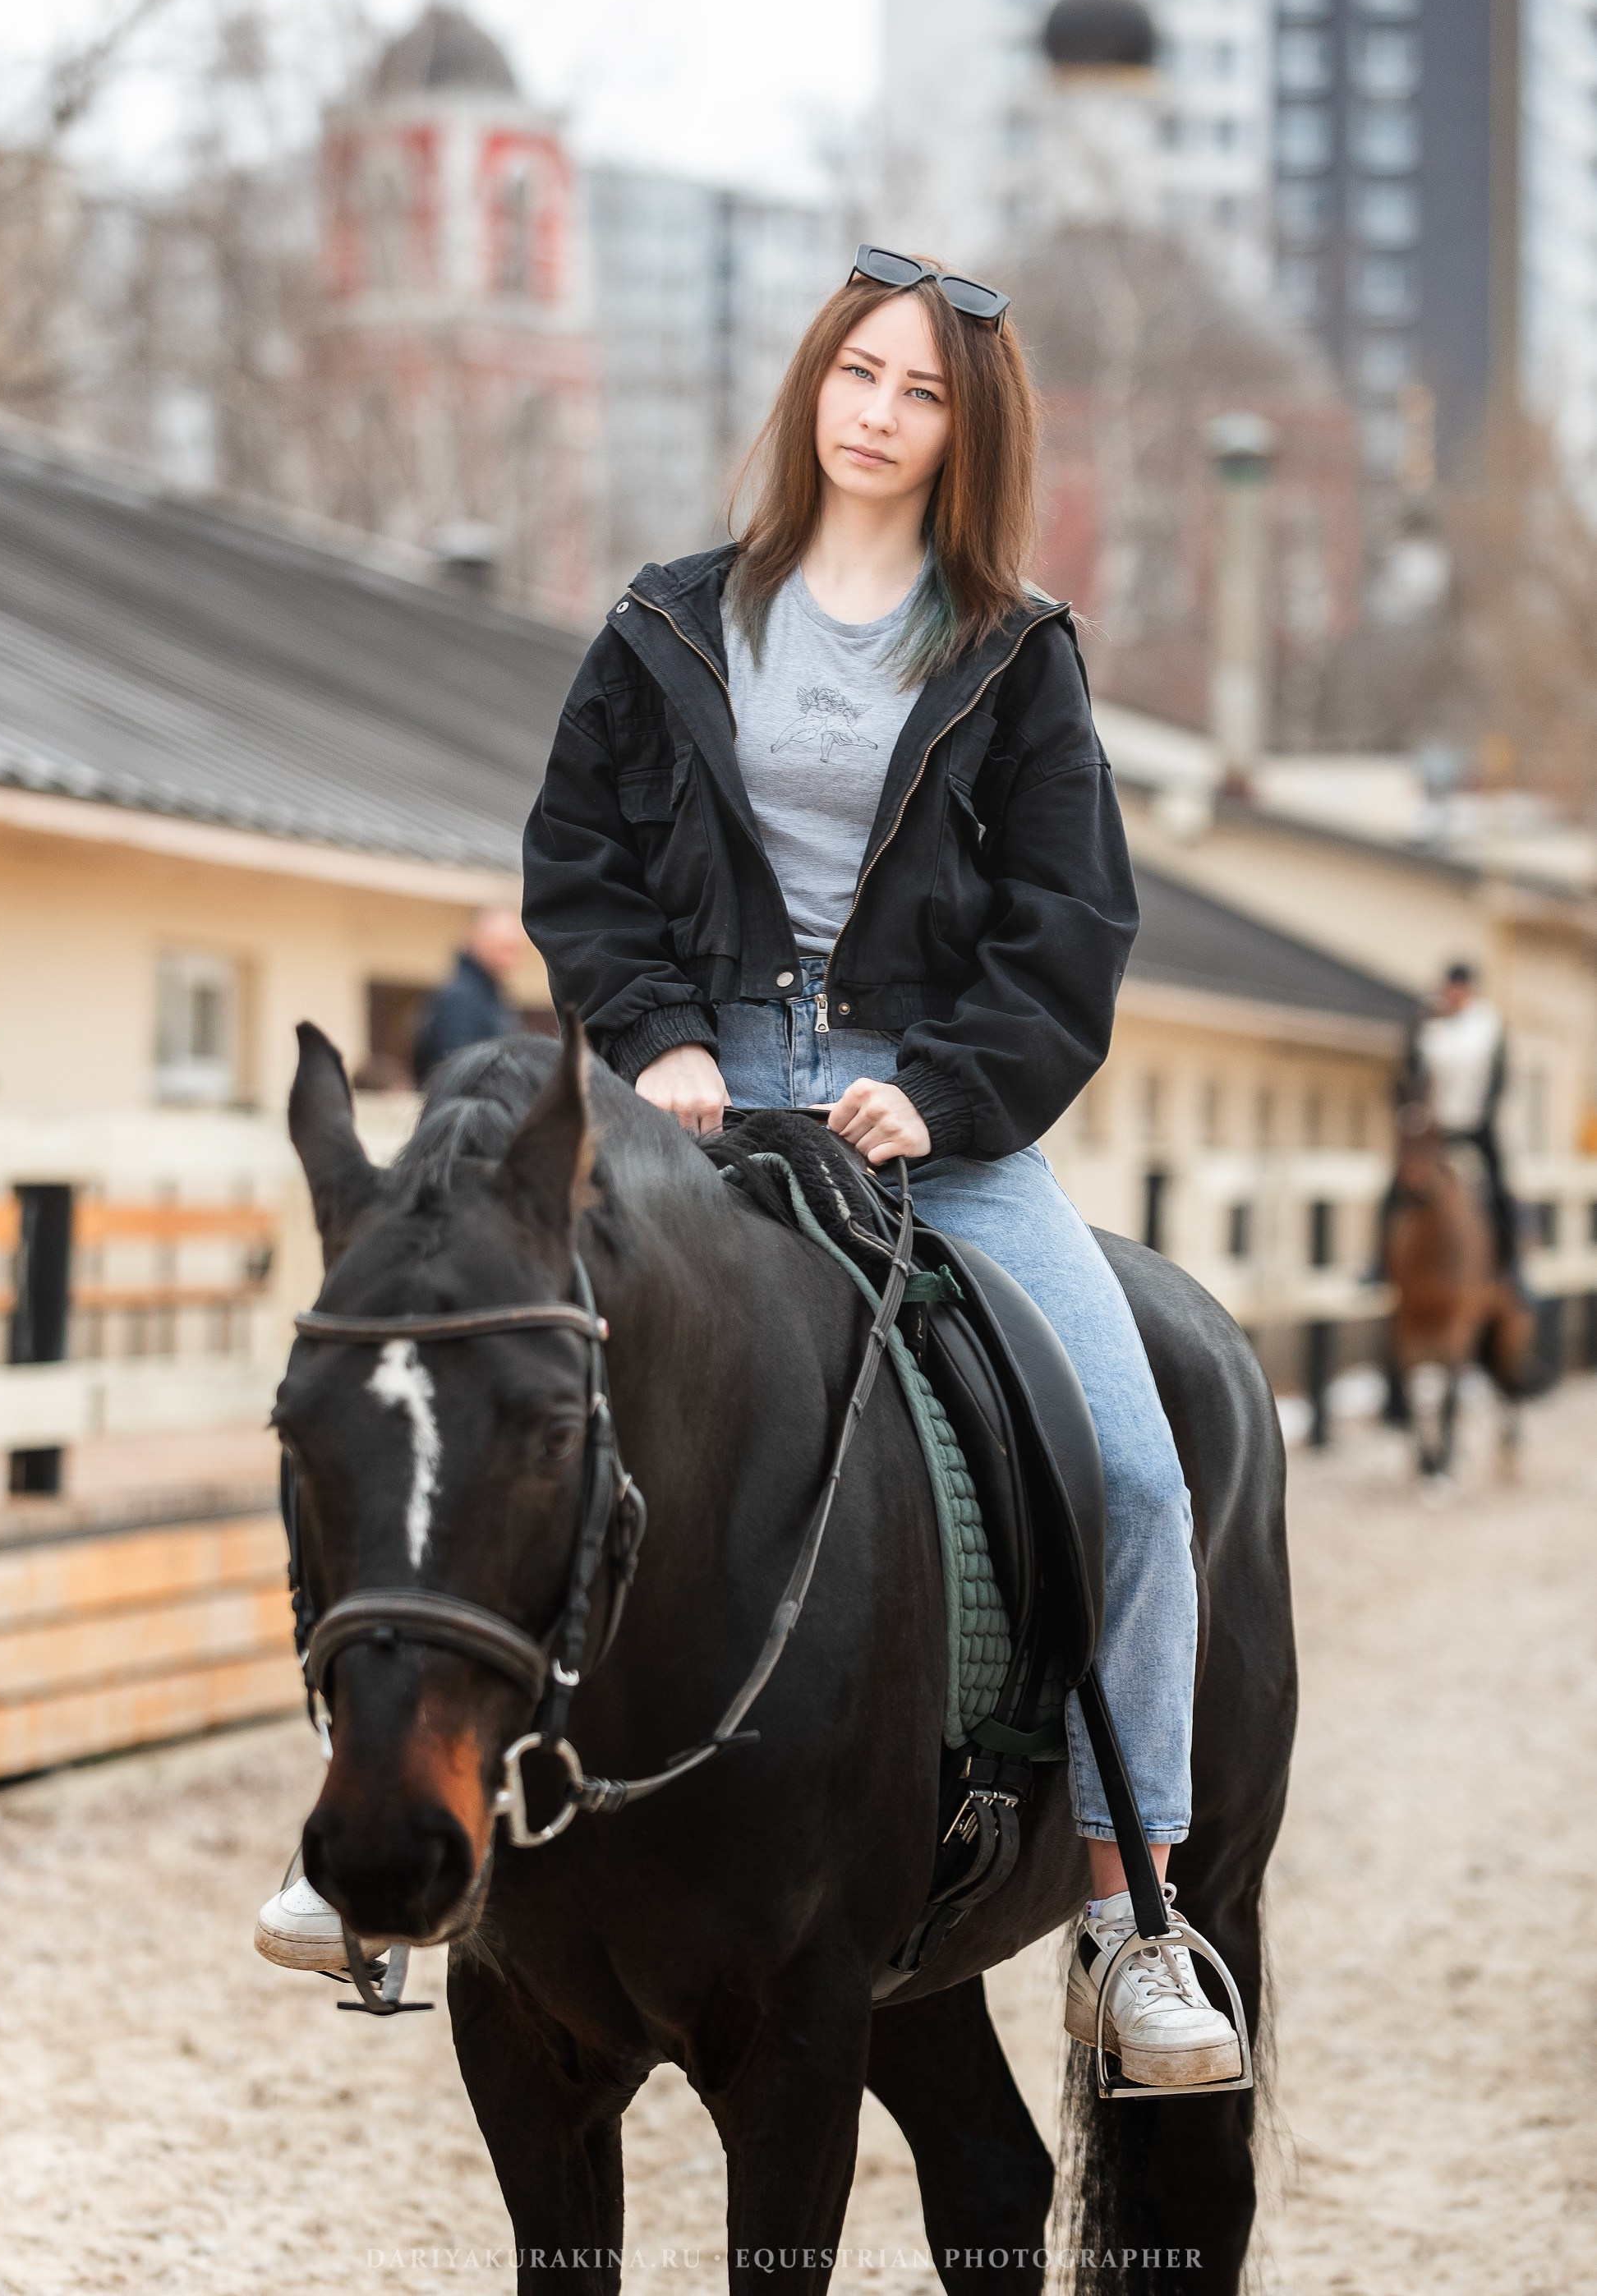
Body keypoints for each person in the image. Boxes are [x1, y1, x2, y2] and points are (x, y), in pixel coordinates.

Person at [515, 245, 1241, 2088]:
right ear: (811, 384)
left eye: (920, 394)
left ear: (960, 435)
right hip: (687, 1112)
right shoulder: (663, 622)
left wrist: (945, 1093)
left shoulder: (1016, 654)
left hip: (929, 1137)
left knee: (1139, 1481)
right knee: (461, 1366)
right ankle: (379, 1829)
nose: (879, 414)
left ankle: (1131, 1922)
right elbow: (581, 864)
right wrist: (657, 1039)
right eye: (858, 373)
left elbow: (1069, 925)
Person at [1371, 961, 1519, 1286]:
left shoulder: (1488, 1026)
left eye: (1461, 990)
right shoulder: (1426, 1022)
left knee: (1498, 1188)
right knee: (1397, 1186)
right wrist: (1414, 1111)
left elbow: (1498, 1078)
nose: (1455, 996)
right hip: (1431, 1127)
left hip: (1474, 1125)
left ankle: (1512, 1266)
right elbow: (1410, 1070)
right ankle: (1380, 1261)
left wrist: (1482, 1115)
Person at [412, 908, 525, 1088]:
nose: (511, 960)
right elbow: (459, 1072)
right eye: (505, 948)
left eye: (516, 950)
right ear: (479, 940)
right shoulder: (463, 997)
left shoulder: (488, 994)